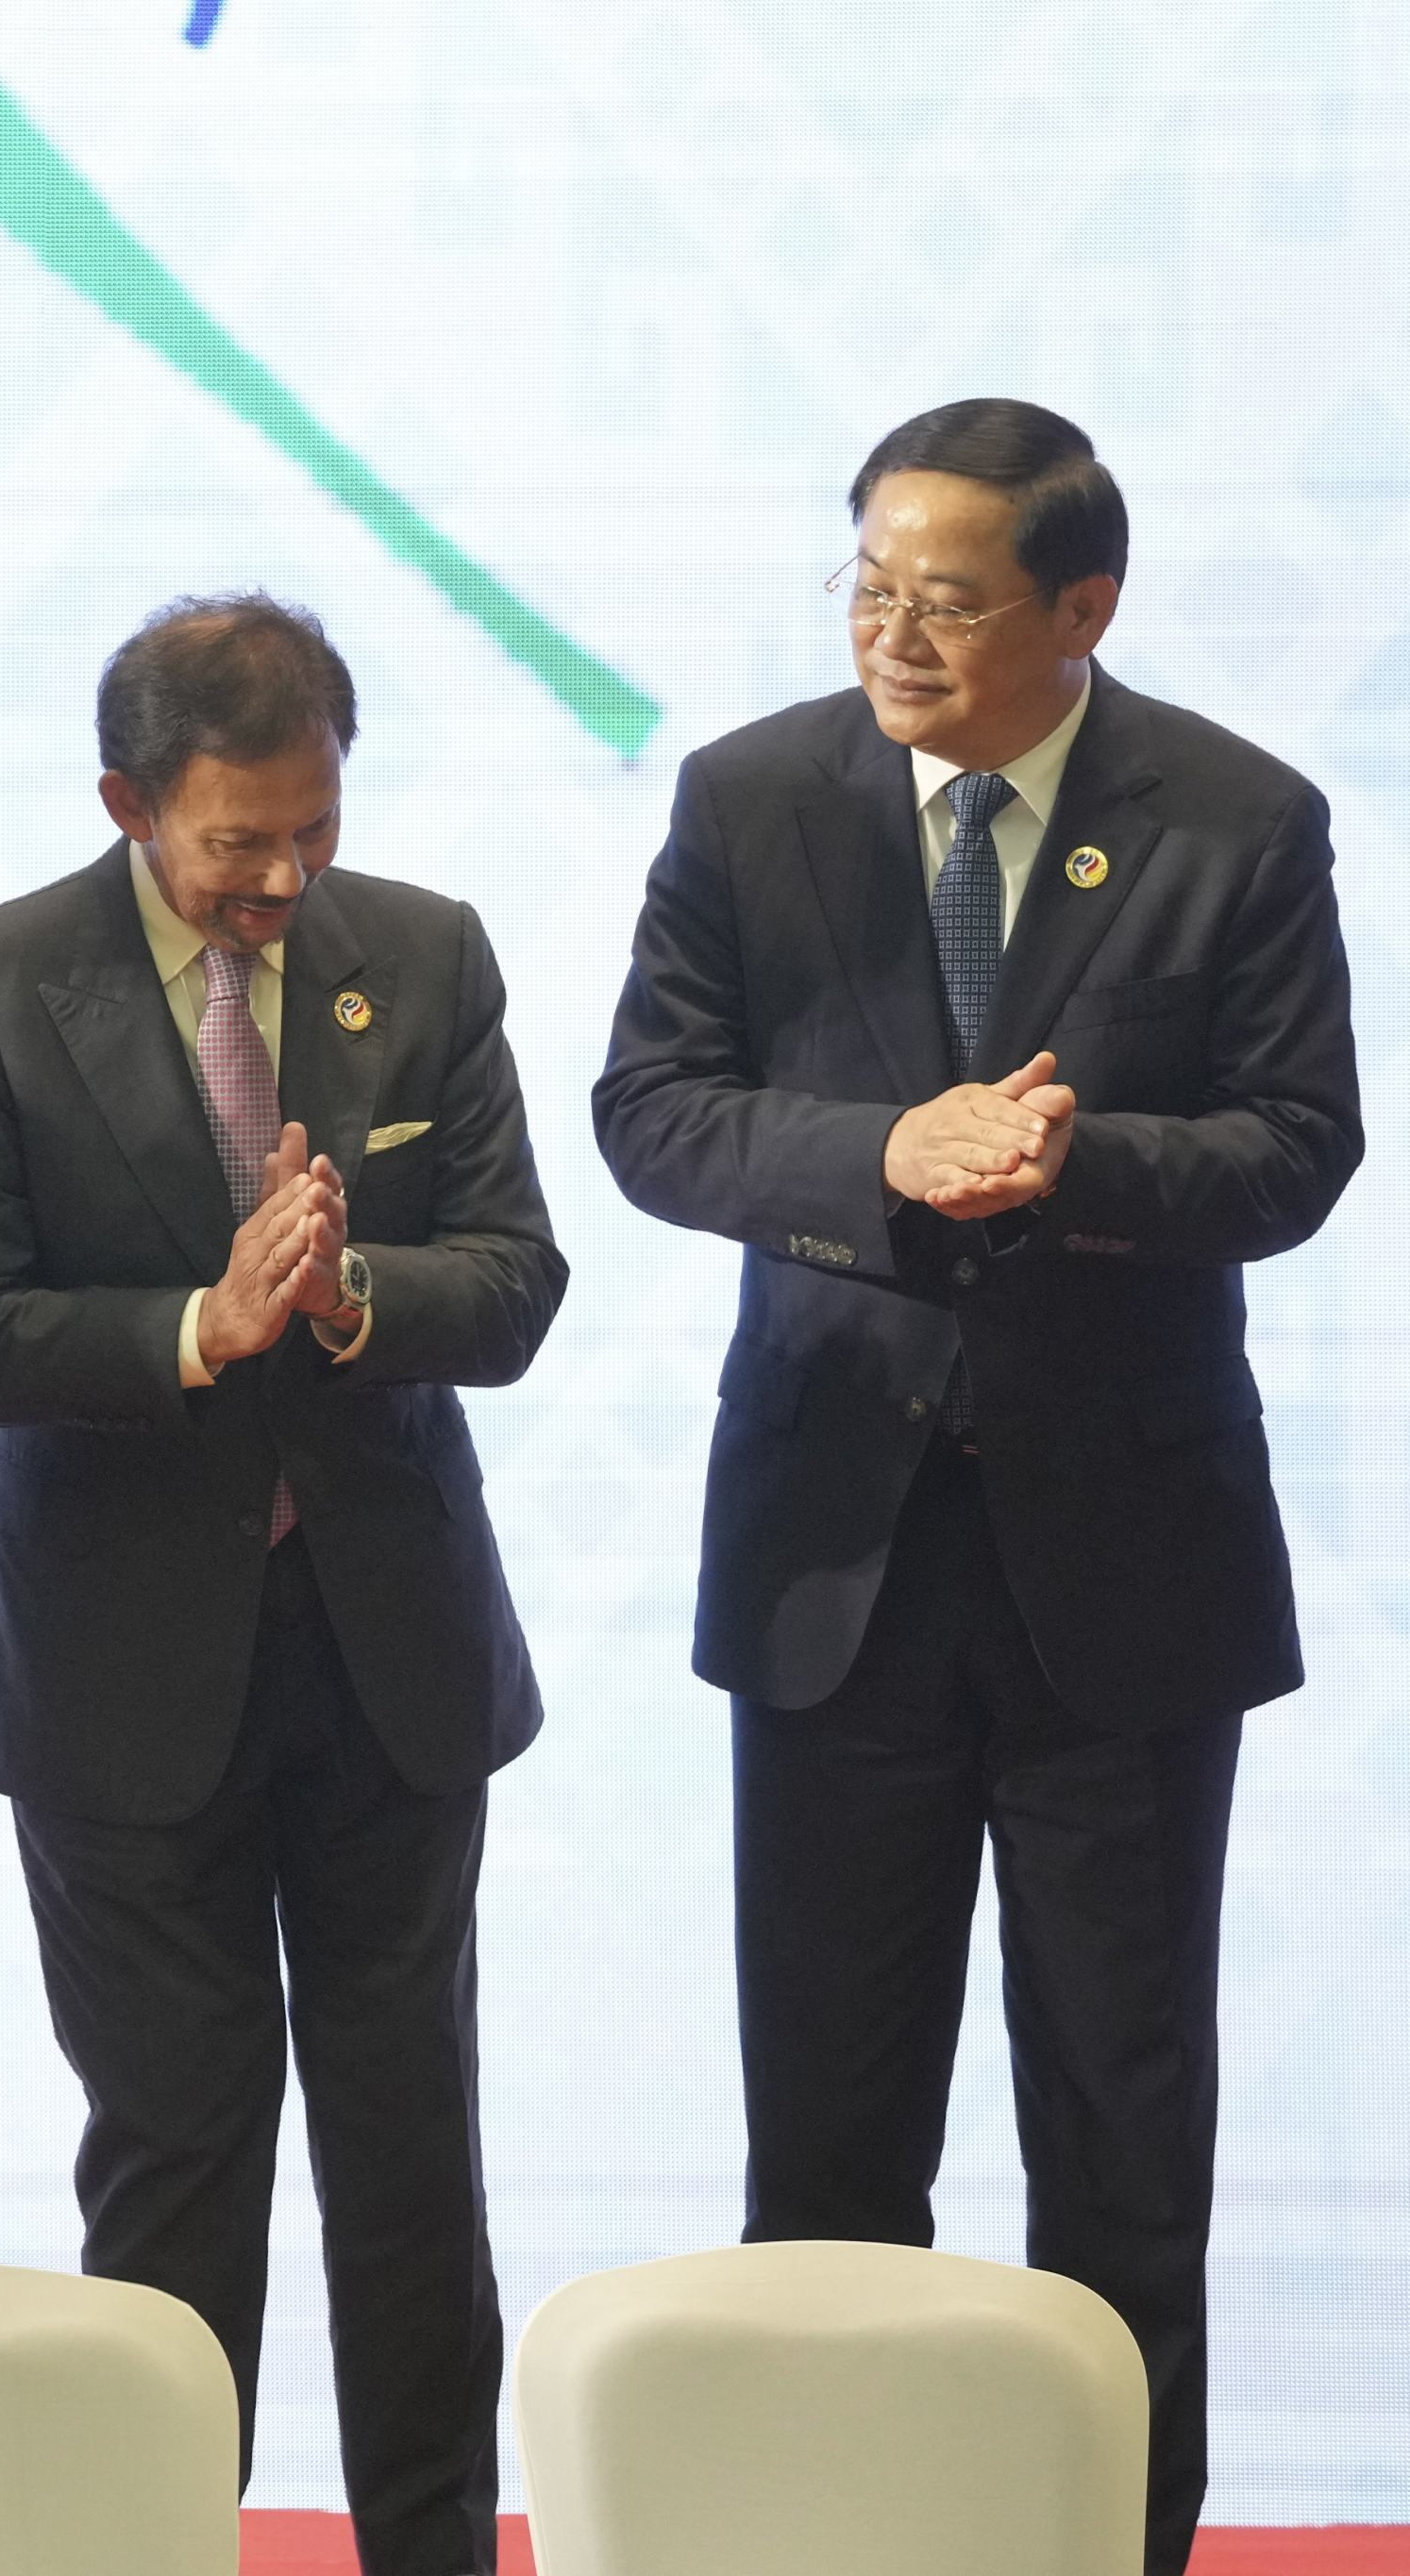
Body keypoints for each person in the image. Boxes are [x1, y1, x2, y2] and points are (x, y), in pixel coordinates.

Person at [594, 397, 1360, 2574]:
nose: (888, 633)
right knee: (826, 2137)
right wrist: (875, 1157)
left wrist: (1070, 1161)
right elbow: (652, 1108)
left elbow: (1296, 1149)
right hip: (832, 1562)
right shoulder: (752, 798)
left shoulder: (1231, 814)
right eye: (863, 584)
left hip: (1119, 1579)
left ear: (1075, 606)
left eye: (940, 597)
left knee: (1119, 2139)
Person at [0, 593, 563, 2576]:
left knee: (406, 2162)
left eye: (310, 833)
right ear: (124, 804)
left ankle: (425, 2550)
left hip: (386, 1660)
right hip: (117, 1676)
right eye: (230, 843)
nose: (277, 879)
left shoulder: (419, 956)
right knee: (173, 2167)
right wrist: (196, 1321)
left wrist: (352, 1294)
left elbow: (512, 1281)